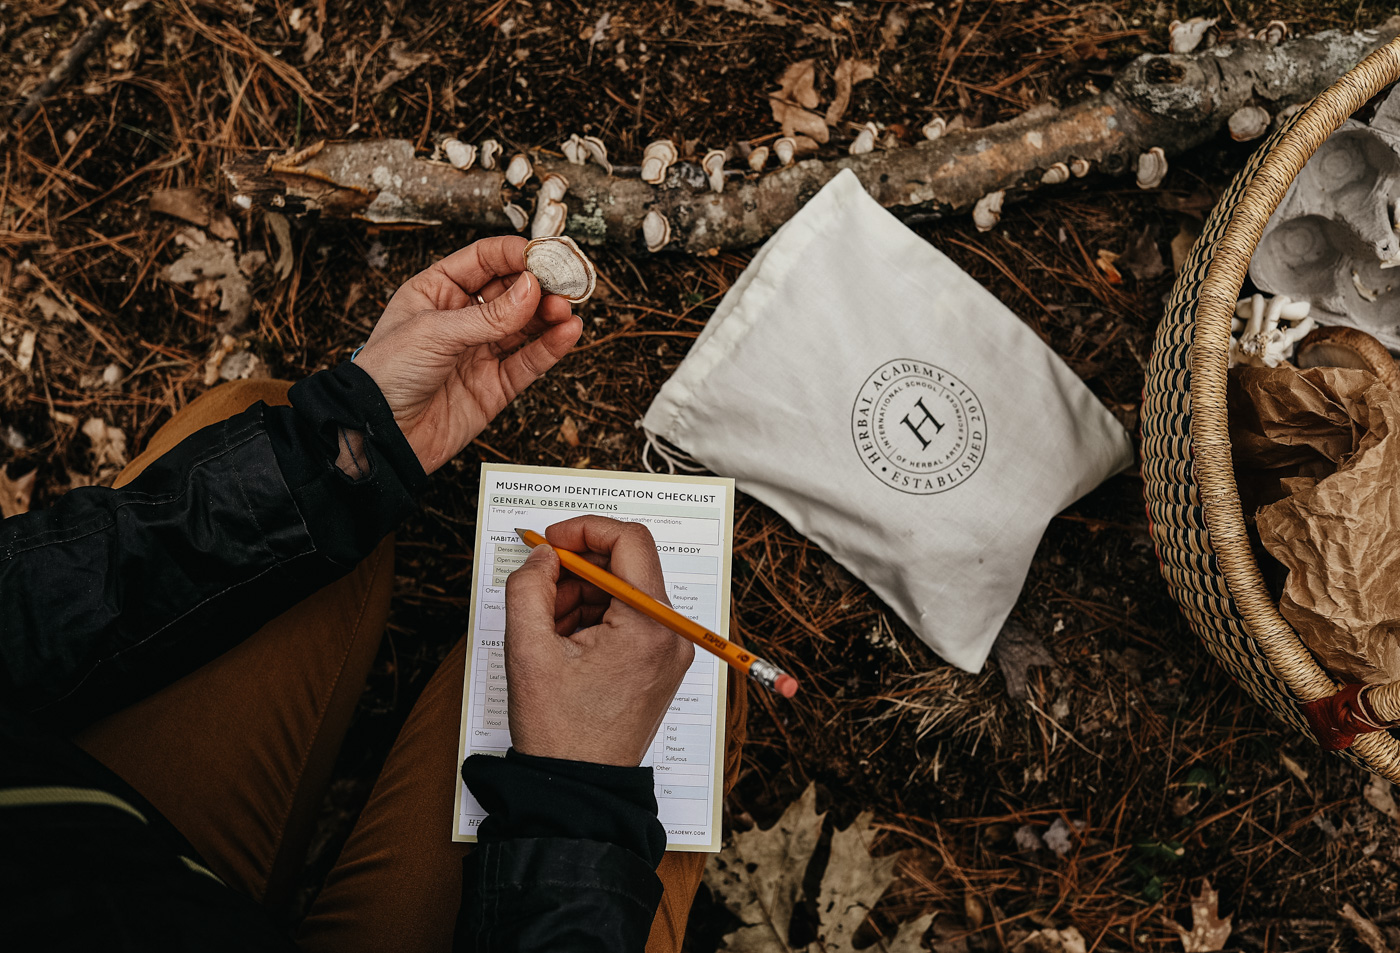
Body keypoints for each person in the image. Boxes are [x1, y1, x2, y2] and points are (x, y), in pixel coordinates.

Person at [0, 235, 746, 952]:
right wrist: (577, 797)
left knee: (249, 411)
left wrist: (338, 458)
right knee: (688, 652)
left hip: (101, 838)